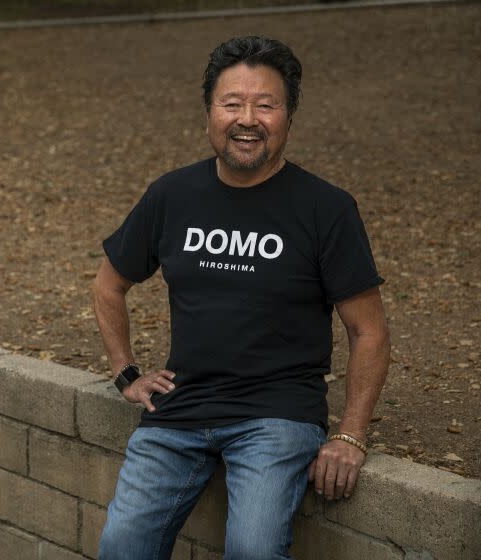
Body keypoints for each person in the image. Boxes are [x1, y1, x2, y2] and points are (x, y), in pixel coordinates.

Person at [92, 36, 390, 560]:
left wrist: (351, 436)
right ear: (210, 112)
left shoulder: (327, 209)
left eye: (265, 105)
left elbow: (369, 331)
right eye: (232, 104)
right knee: (122, 546)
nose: (247, 119)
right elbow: (108, 284)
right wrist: (125, 372)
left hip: (276, 418)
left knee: (253, 550)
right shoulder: (172, 195)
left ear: (288, 117)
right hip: (179, 412)